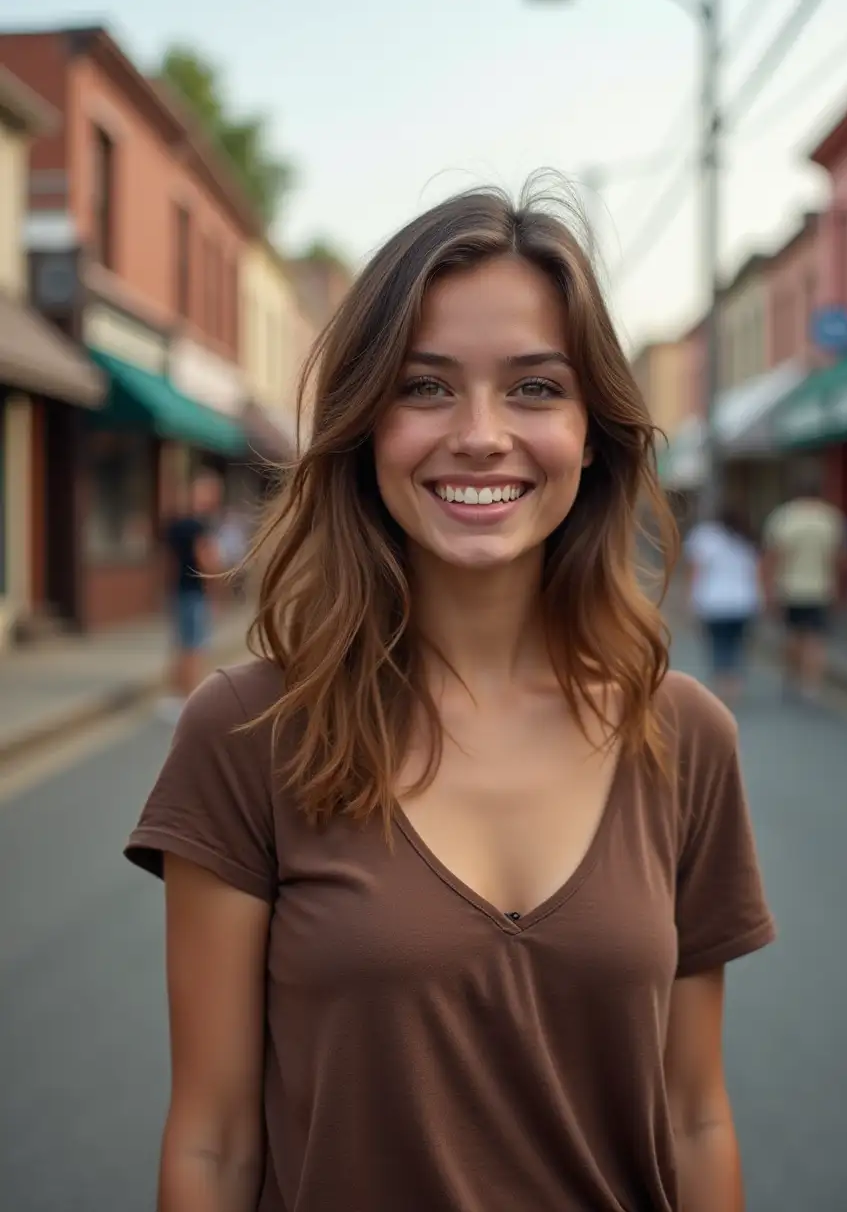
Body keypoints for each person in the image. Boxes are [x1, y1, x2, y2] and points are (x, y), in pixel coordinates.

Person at [125, 186, 775, 1212]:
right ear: (362, 424)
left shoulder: (682, 734)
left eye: (532, 389)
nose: (478, 434)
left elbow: (694, 1114)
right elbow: (211, 1141)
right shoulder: (248, 733)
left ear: (592, 430)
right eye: (425, 387)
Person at [762, 472, 846, 700]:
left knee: (792, 636)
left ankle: (793, 676)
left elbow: (773, 557)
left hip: (789, 588)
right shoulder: (830, 518)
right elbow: (837, 558)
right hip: (821, 588)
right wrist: (839, 588)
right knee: (816, 638)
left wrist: (768, 590)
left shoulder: (783, 518)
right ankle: (812, 684)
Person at [684, 497, 762, 705]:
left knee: (718, 646)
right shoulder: (748, 538)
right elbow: (756, 572)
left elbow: (695, 571)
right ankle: (733, 686)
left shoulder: (704, 536)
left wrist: (691, 599)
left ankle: (722, 689)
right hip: (744, 602)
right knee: (737, 645)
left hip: (713, 602)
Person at [159, 472, 223, 722]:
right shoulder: (199, 527)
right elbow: (205, 560)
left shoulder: (176, 525)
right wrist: (213, 592)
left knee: (181, 645)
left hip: (179, 590)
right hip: (195, 592)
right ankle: (189, 699)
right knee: (195, 647)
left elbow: (168, 561)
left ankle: (176, 696)